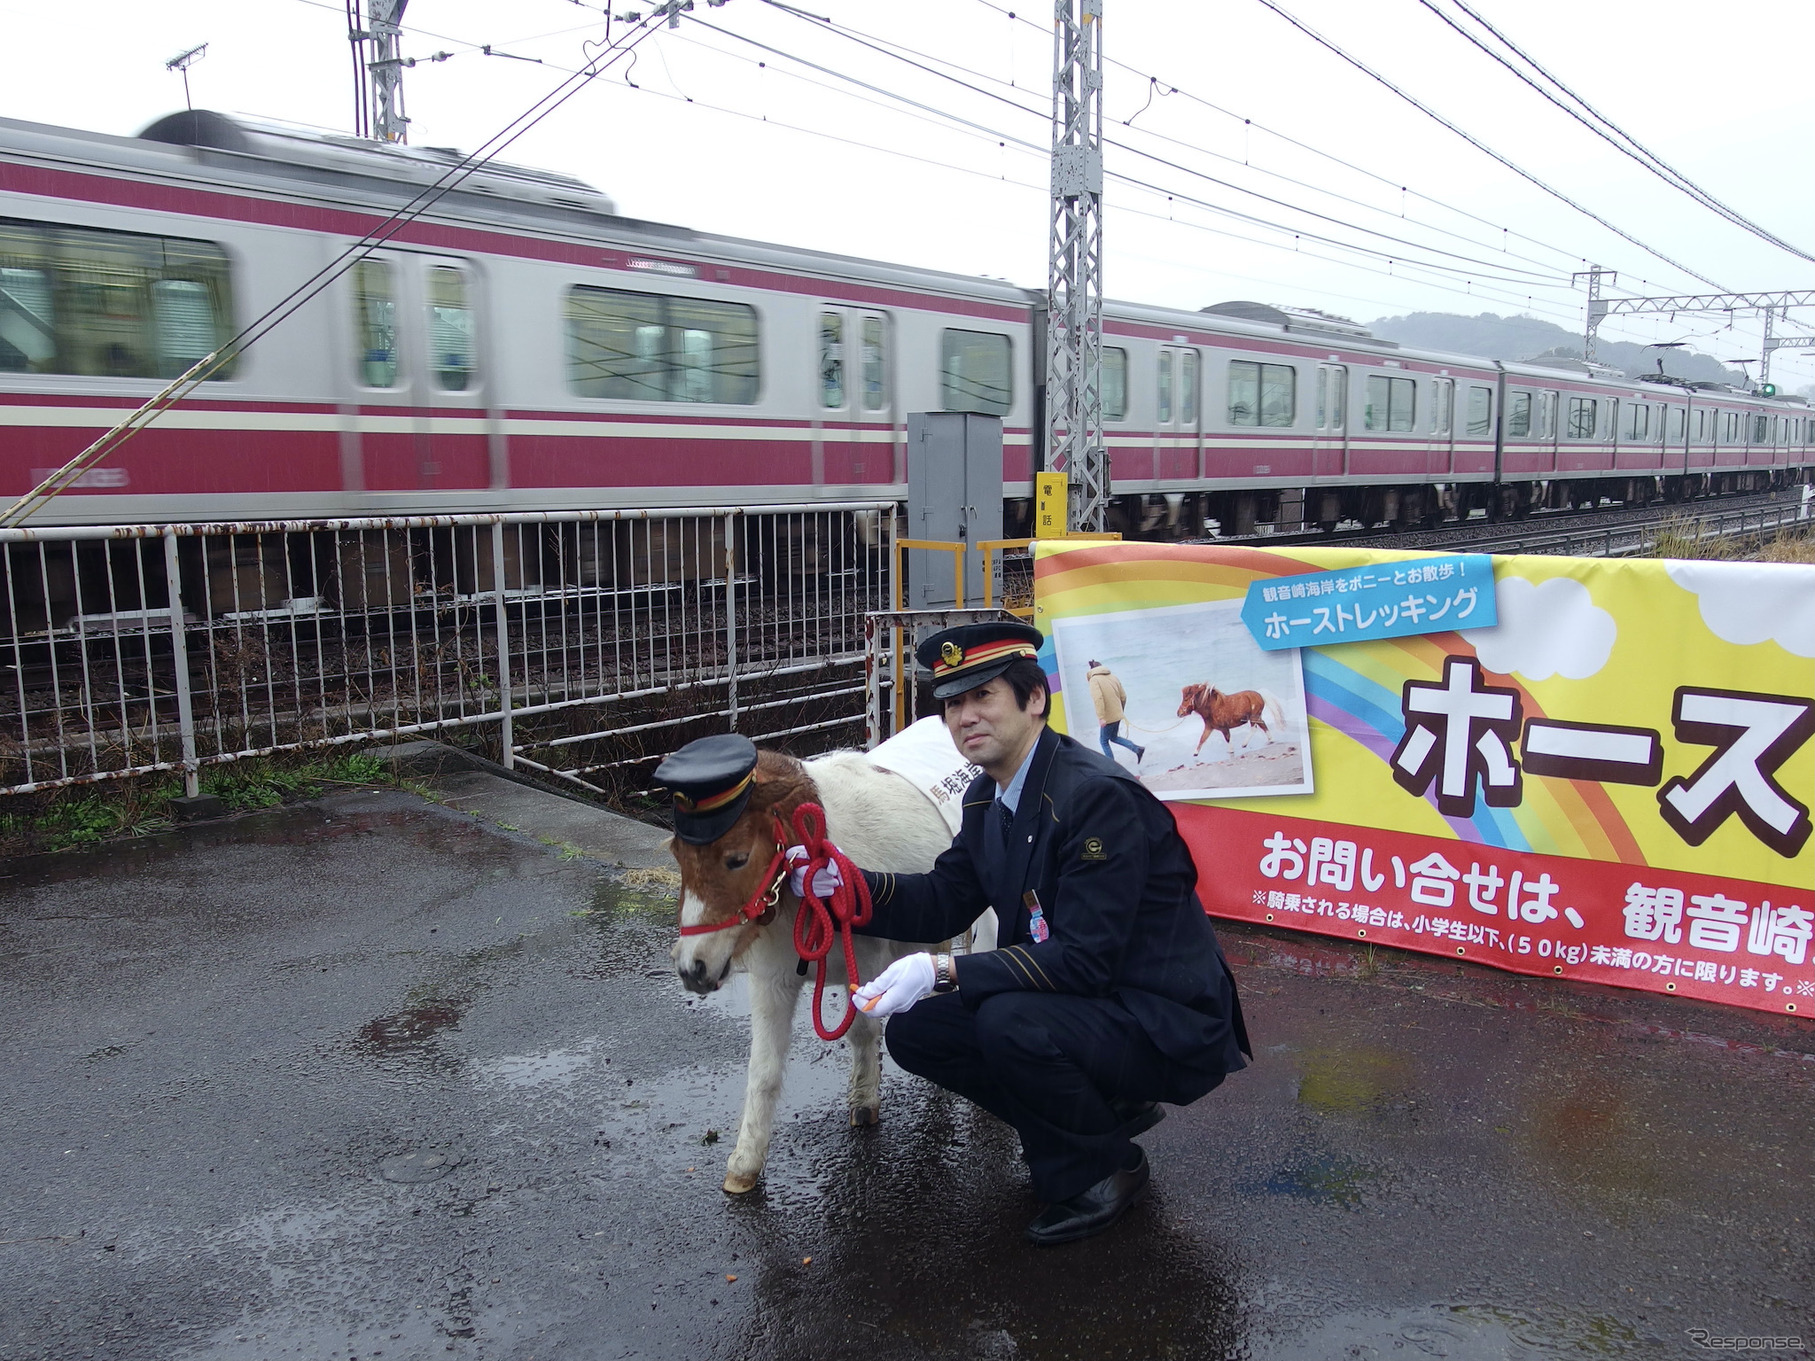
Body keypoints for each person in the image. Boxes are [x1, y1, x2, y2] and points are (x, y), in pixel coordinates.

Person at [794, 621, 1249, 1246]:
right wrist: (840, 884)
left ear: (1034, 700)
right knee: (922, 1032)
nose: (964, 717)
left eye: (984, 696)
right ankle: (1098, 1120)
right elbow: (943, 900)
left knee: (1007, 1020)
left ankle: (1100, 1172)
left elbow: (1085, 961)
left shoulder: (1095, 798)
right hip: (1095, 1005)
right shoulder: (991, 797)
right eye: (953, 703)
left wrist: (943, 971)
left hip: (1164, 1016)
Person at [1086, 658, 1146, 766]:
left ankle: (1111, 766)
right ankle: (1137, 749)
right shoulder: (1113, 677)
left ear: (1092, 670)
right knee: (1113, 737)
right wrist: (1120, 711)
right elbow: (1123, 696)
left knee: (1104, 741)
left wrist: (1101, 717)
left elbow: (1098, 698)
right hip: (1117, 715)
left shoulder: (1094, 680)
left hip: (1107, 717)